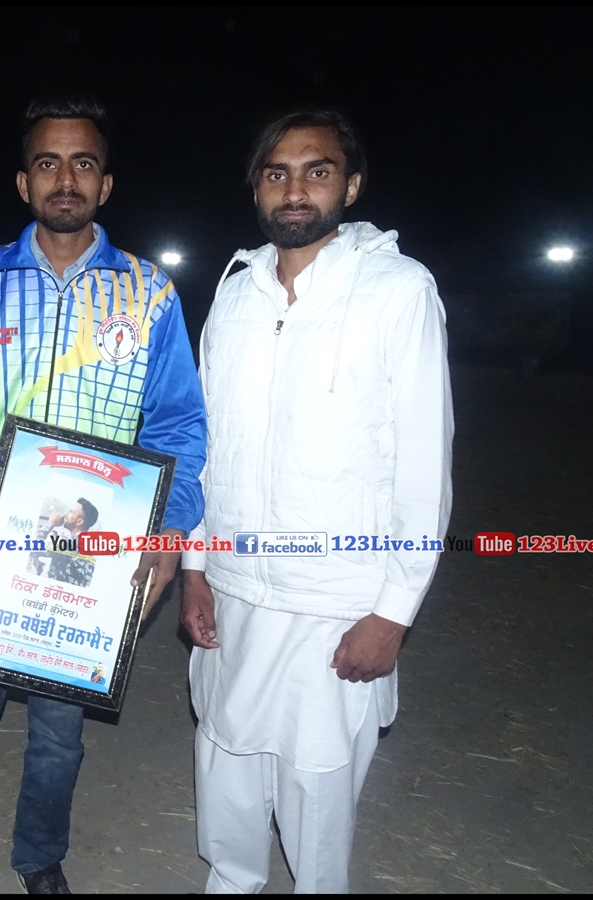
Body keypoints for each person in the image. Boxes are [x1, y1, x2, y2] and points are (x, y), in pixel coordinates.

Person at [0, 95, 206, 894]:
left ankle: (39, 856)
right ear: (23, 181)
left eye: (83, 163)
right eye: (47, 162)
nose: (65, 178)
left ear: (106, 184)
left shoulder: (151, 293)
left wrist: (168, 532)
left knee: (60, 734)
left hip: (90, 564)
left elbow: (178, 424)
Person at [180, 110, 453, 893]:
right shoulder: (234, 296)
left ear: (351, 185)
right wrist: (195, 567)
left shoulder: (397, 291)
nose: (295, 189)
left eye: (317, 171)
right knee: (225, 767)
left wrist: (393, 612)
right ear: (255, 189)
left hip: (336, 599)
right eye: (277, 173)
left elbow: (424, 462)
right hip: (234, 590)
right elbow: (206, 445)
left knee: (318, 787)